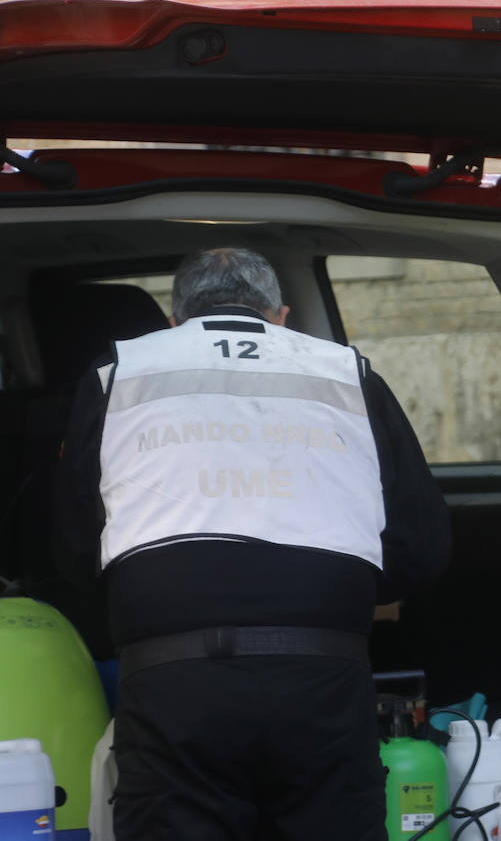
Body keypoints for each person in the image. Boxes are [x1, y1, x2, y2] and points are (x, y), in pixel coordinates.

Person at [52, 247, 451, 841]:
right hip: (321, 680)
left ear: (173, 320)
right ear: (281, 316)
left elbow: (72, 540)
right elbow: (421, 545)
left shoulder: (119, 371)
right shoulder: (347, 372)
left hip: (172, 688)